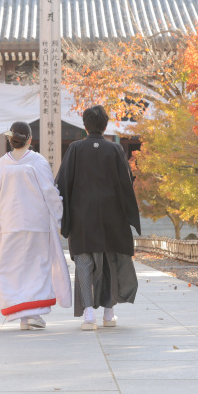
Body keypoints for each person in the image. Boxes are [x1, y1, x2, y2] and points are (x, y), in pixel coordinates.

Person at [0, 121, 71, 329]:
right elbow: (50, 193)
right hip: (37, 223)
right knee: (37, 267)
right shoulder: (38, 161)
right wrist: (61, 219)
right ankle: (33, 314)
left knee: (11, 269)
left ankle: (22, 315)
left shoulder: (2, 163)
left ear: (10, 139)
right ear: (30, 140)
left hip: (9, 224)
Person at [56, 105, 141, 330]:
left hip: (82, 218)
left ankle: (88, 316)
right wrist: (130, 216)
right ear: (105, 126)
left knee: (84, 262)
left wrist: (62, 217)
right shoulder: (114, 150)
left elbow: (62, 183)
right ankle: (108, 313)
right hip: (111, 218)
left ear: (84, 126)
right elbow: (126, 184)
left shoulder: (75, 149)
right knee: (109, 263)